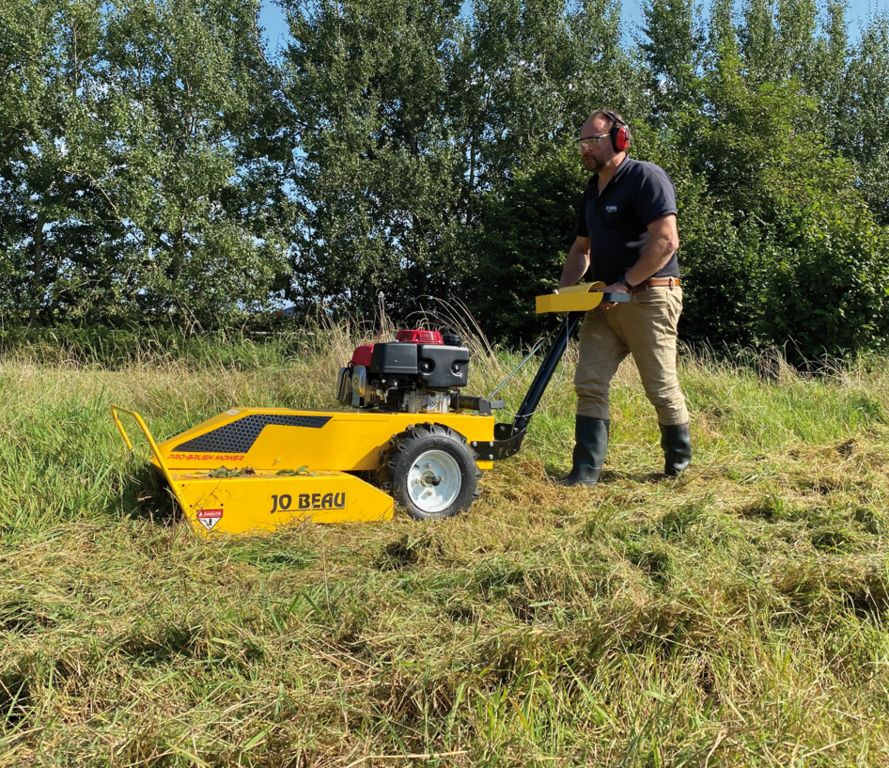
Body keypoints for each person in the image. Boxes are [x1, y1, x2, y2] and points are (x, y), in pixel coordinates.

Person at [558, 109, 691, 486]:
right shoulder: (592, 190)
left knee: (660, 386)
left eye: (593, 141)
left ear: (619, 140)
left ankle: (676, 468)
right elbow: (581, 249)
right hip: (604, 302)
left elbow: (666, 240)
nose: (584, 148)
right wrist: (564, 293)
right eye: (582, 141)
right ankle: (585, 471)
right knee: (589, 383)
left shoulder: (645, 178)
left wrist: (627, 284)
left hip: (649, 298)